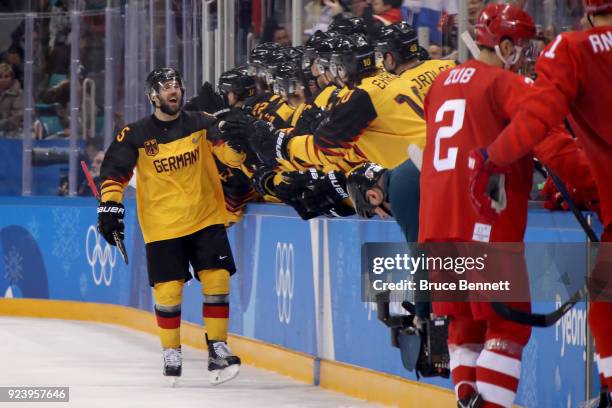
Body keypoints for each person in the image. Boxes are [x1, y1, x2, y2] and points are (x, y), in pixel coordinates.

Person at [419, 4, 598, 407]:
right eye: (520, 44)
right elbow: (550, 141)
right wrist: (595, 182)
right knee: (508, 327)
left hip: (436, 225)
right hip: (485, 223)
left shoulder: (441, 82)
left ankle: (467, 400)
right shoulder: (506, 85)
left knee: (464, 326)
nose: (526, 53)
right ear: (502, 44)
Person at [469, 0, 612, 405]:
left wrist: (493, 158)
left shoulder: (572, 50)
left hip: (449, 230)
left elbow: (538, 120)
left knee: (605, 300)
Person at [97, 68, 242, 385]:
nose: (173, 91)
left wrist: (239, 139)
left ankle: (217, 346)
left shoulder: (201, 121)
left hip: (205, 217)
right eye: (165, 88)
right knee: (168, 289)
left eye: (177, 86)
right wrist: (110, 206)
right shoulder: (135, 134)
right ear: (153, 96)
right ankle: (171, 351)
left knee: (217, 278)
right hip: (162, 225)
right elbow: (114, 173)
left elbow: (229, 157)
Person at [0, 62, 23, 137]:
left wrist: (3, 124)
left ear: (12, 78)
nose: (3, 79)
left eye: (6, 76)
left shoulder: (19, 94)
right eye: (0, 77)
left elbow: (18, 118)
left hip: (13, 134)